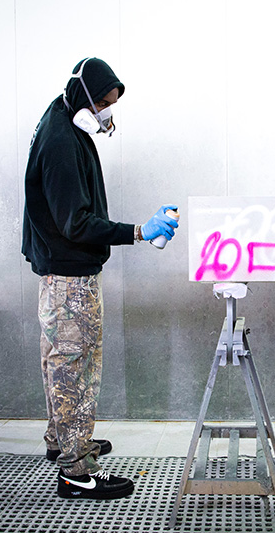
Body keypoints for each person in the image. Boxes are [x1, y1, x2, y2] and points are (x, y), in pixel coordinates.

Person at [22, 57, 178, 500]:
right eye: (103, 104)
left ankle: (62, 440)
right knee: (77, 369)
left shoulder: (60, 117)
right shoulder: (60, 142)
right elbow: (76, 224)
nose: (107, 113)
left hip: (58, 271)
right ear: (84, 98)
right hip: (70, 277)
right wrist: (139, 232)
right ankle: (77, 470)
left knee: (59, 362)